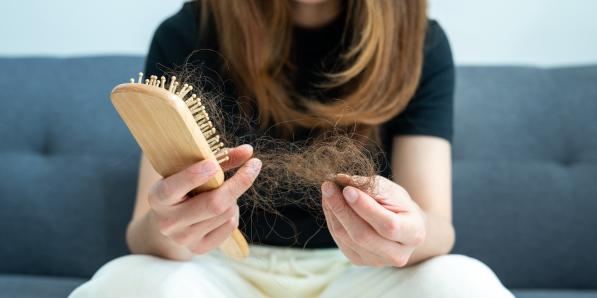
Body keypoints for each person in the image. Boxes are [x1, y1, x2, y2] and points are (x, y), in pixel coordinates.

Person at [70, 0, 513, 297]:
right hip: (220, 271)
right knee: (124, 284)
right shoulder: (190, 29)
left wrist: (409, 232)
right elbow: (141, 235)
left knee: (462, 282)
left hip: (361, 274)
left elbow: (439, 229)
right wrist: (174, 227)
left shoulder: (420, 41)